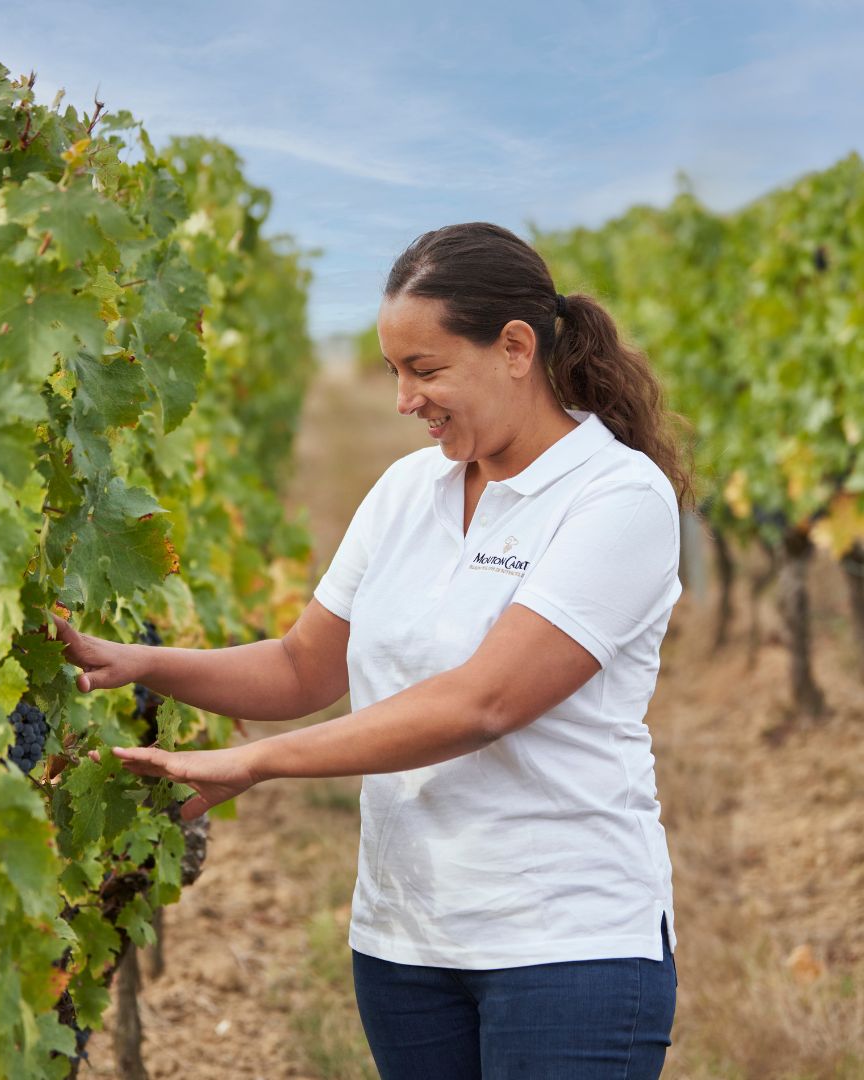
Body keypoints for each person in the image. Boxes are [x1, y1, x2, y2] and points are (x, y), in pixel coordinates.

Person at [52, 222, 691, 1079]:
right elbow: (301, 667)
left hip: (565, 946)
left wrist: (257, 762)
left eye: (424, 370)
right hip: (403, 945)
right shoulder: (406, 491)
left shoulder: (617, 497)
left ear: (515, 349)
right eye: (393, 371)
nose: (403, 399)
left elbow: (484, 702)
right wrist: (140, 662)